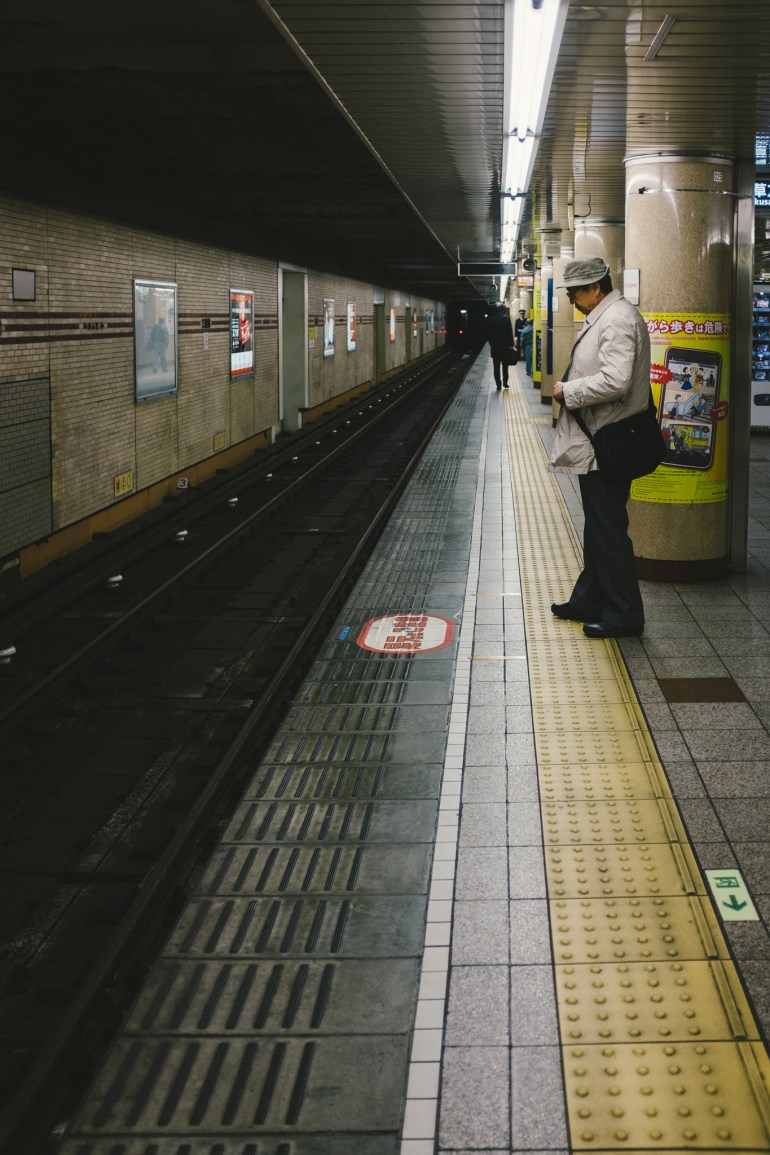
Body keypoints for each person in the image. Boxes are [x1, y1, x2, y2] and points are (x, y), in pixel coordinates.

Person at [548, 256, 650, 639]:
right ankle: (590, 599)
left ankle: (625, 614)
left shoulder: (618, 319)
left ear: (596, 287)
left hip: (609, 441)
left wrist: (567, 390)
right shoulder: (607, 316)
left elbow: (616, 381)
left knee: (608, 528)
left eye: (575, 291)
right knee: (600, 525)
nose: (572, 298)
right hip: (600, 438)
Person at [484, 303, 515, 390]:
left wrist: (492, 343)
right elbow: (509, 333)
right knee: (505, 366)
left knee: (496, 367)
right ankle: (505, 382)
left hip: (495, 347)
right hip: (505, 347)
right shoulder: (506, 319)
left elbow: (488, 334)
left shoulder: (490, 319)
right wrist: (511, 345)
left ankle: (498, 384)